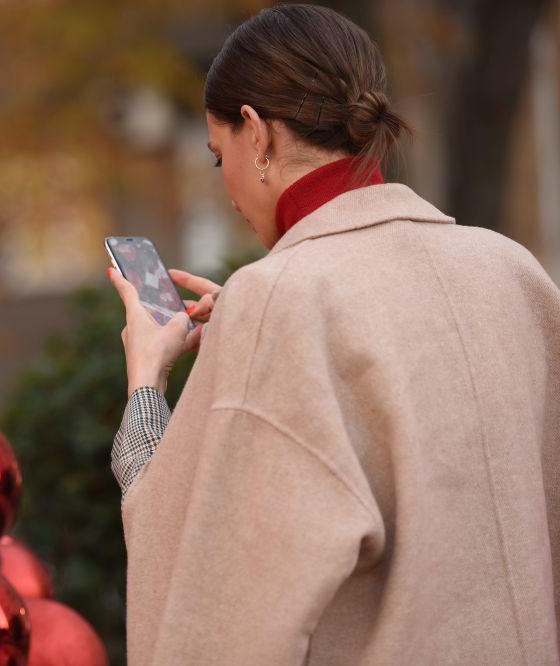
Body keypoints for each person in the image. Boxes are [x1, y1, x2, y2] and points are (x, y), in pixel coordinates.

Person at [106, 4, 560, 664]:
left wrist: (147, 379)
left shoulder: (276, 302)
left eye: (216, 157)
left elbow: (210, 600)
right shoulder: (513, 271)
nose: (228, 189)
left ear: (257, 134)